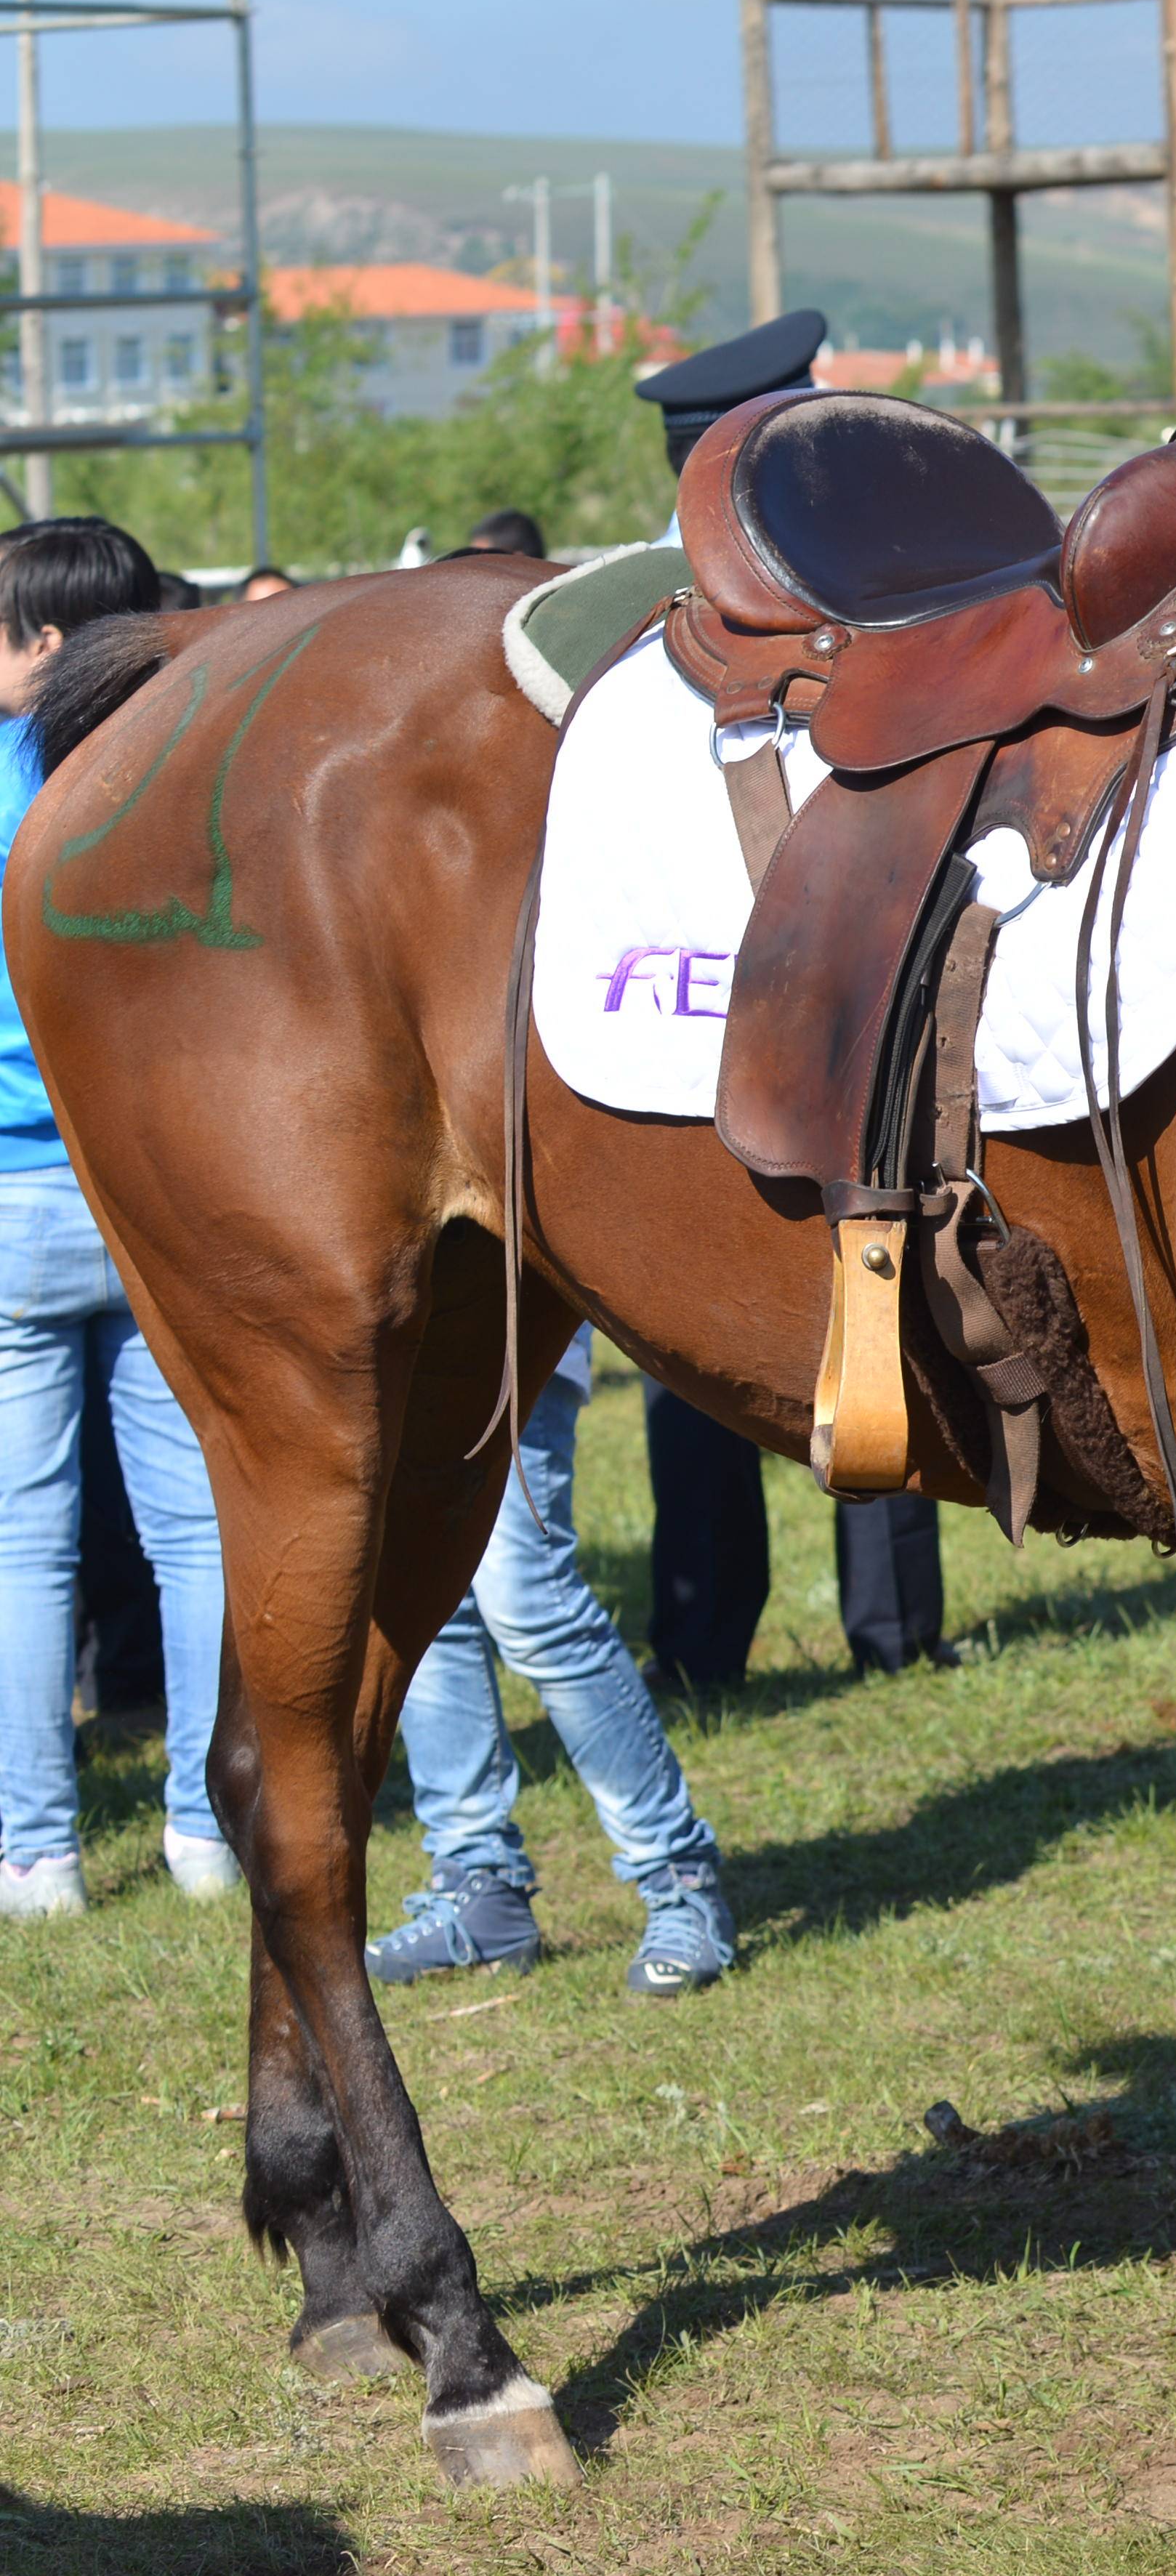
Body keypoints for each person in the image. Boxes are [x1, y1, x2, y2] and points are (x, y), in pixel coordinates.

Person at [629, 312, 959, 1690]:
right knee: (846, 1284)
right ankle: (862, 1630)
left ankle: (716, 1635)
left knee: (766, 1307)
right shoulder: (865, 611)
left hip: (693, 1011)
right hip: (778, 1001)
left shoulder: (658, 625)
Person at [0, 517, 234, 1917]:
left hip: (12, 1192)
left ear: (44, 640)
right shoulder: (179, 772)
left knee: (25, 1541)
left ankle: (35, 1849)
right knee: (198, 1527)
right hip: (160, 1190)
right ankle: (209, 1828)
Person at [363, 1332, 737, 1994]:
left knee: (529, 1597)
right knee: (424, 1599)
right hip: (388, 1330)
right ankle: (477, 1885)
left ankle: (680, 1877)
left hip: (505, 1317)